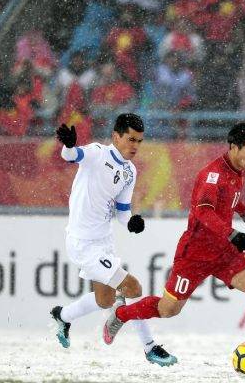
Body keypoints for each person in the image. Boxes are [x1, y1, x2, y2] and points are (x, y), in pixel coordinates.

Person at [101, 122, 245, 368]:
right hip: (196, 253)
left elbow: (230, 197)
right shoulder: (212, 175)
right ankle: (120, 315)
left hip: (224, 252)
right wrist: (232, 233)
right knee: (168, 309)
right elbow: (203, 212)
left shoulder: (237, 168)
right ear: (234, 147)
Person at [50, 113, 177, 367]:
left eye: (140, 141)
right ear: (115, 136)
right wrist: (69, 145)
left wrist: (131, 221)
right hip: (82, 242)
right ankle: (150, 348)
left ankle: (62, 316)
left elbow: (122, 211)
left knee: (104, 300)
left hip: (103, 241)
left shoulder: (130, 171)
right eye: (131, 139)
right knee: (133, 288)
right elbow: (71, 156)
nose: (135, 146)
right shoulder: (97, 153)